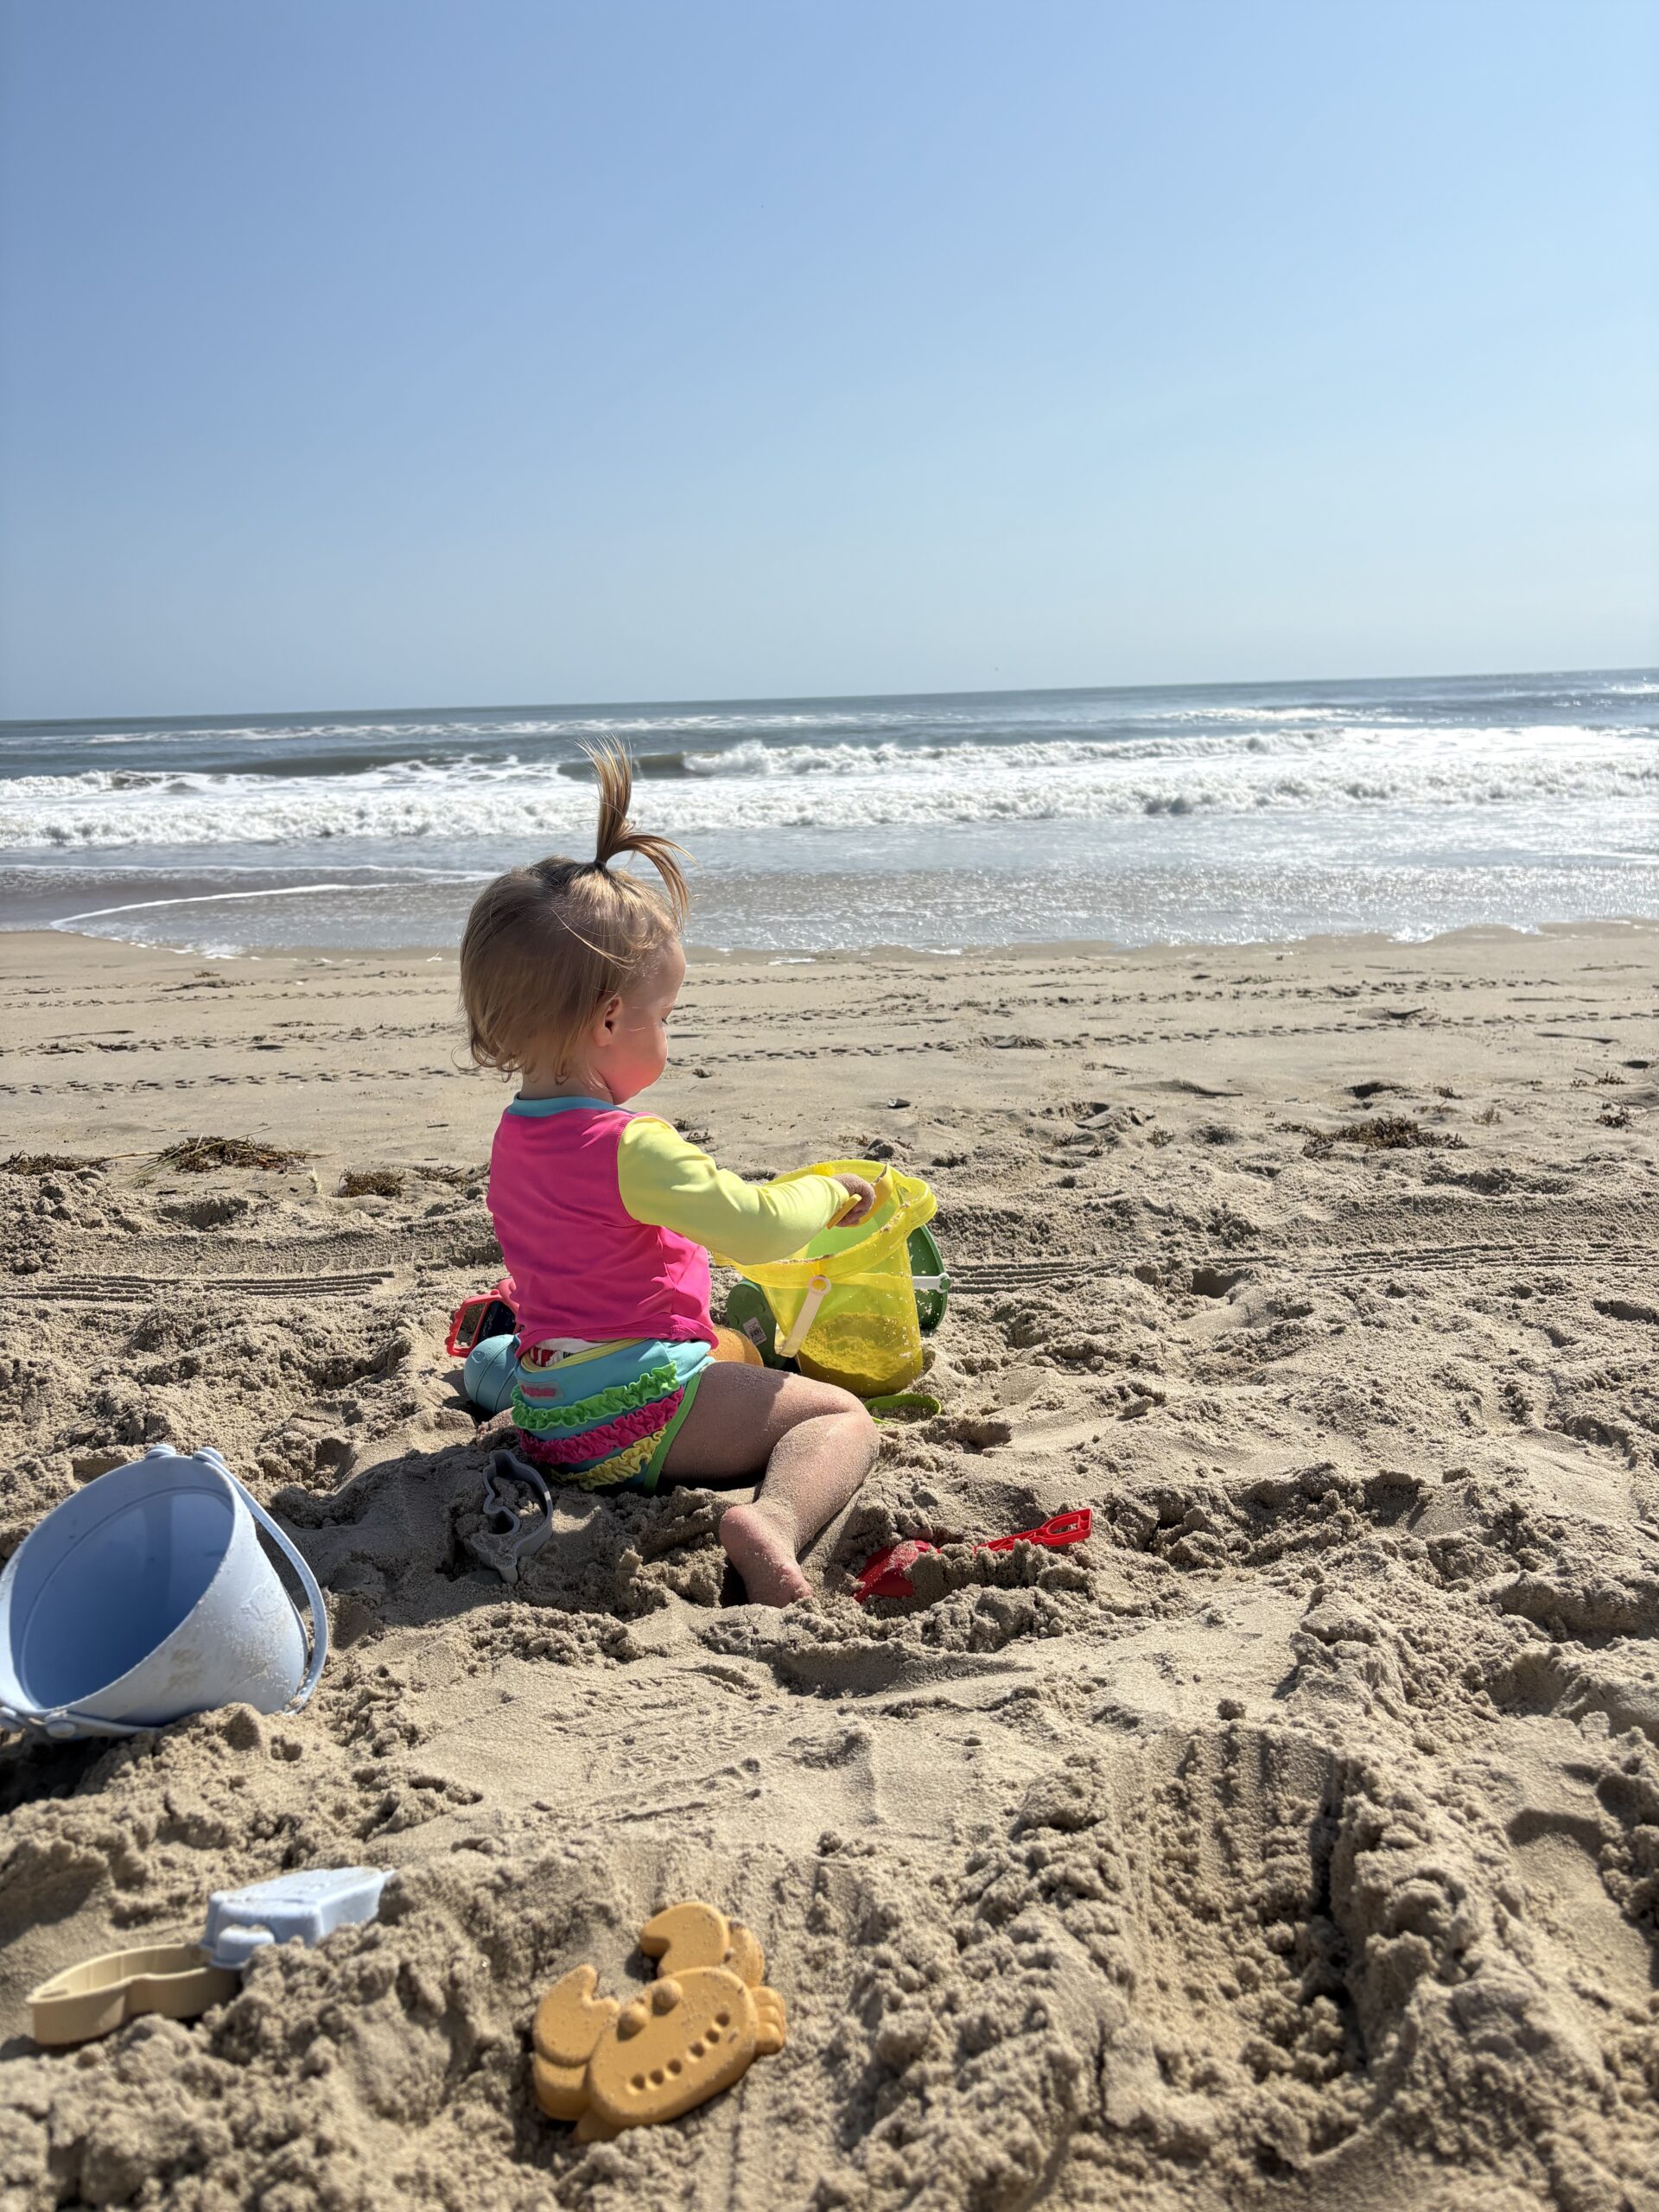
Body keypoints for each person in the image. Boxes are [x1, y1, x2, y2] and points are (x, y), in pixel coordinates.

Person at [458, 742, 878, 1606]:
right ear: (610, 1019)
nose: (669, 1036)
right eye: (665, 1017)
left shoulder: (514, 1136)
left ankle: (483, 1364)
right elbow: (758, 1224)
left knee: (719, 1347)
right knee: (839, 1416)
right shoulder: (629, 1145)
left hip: (548, 1410)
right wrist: (828, 1193)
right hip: (638, 1415)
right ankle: (775, 1521)